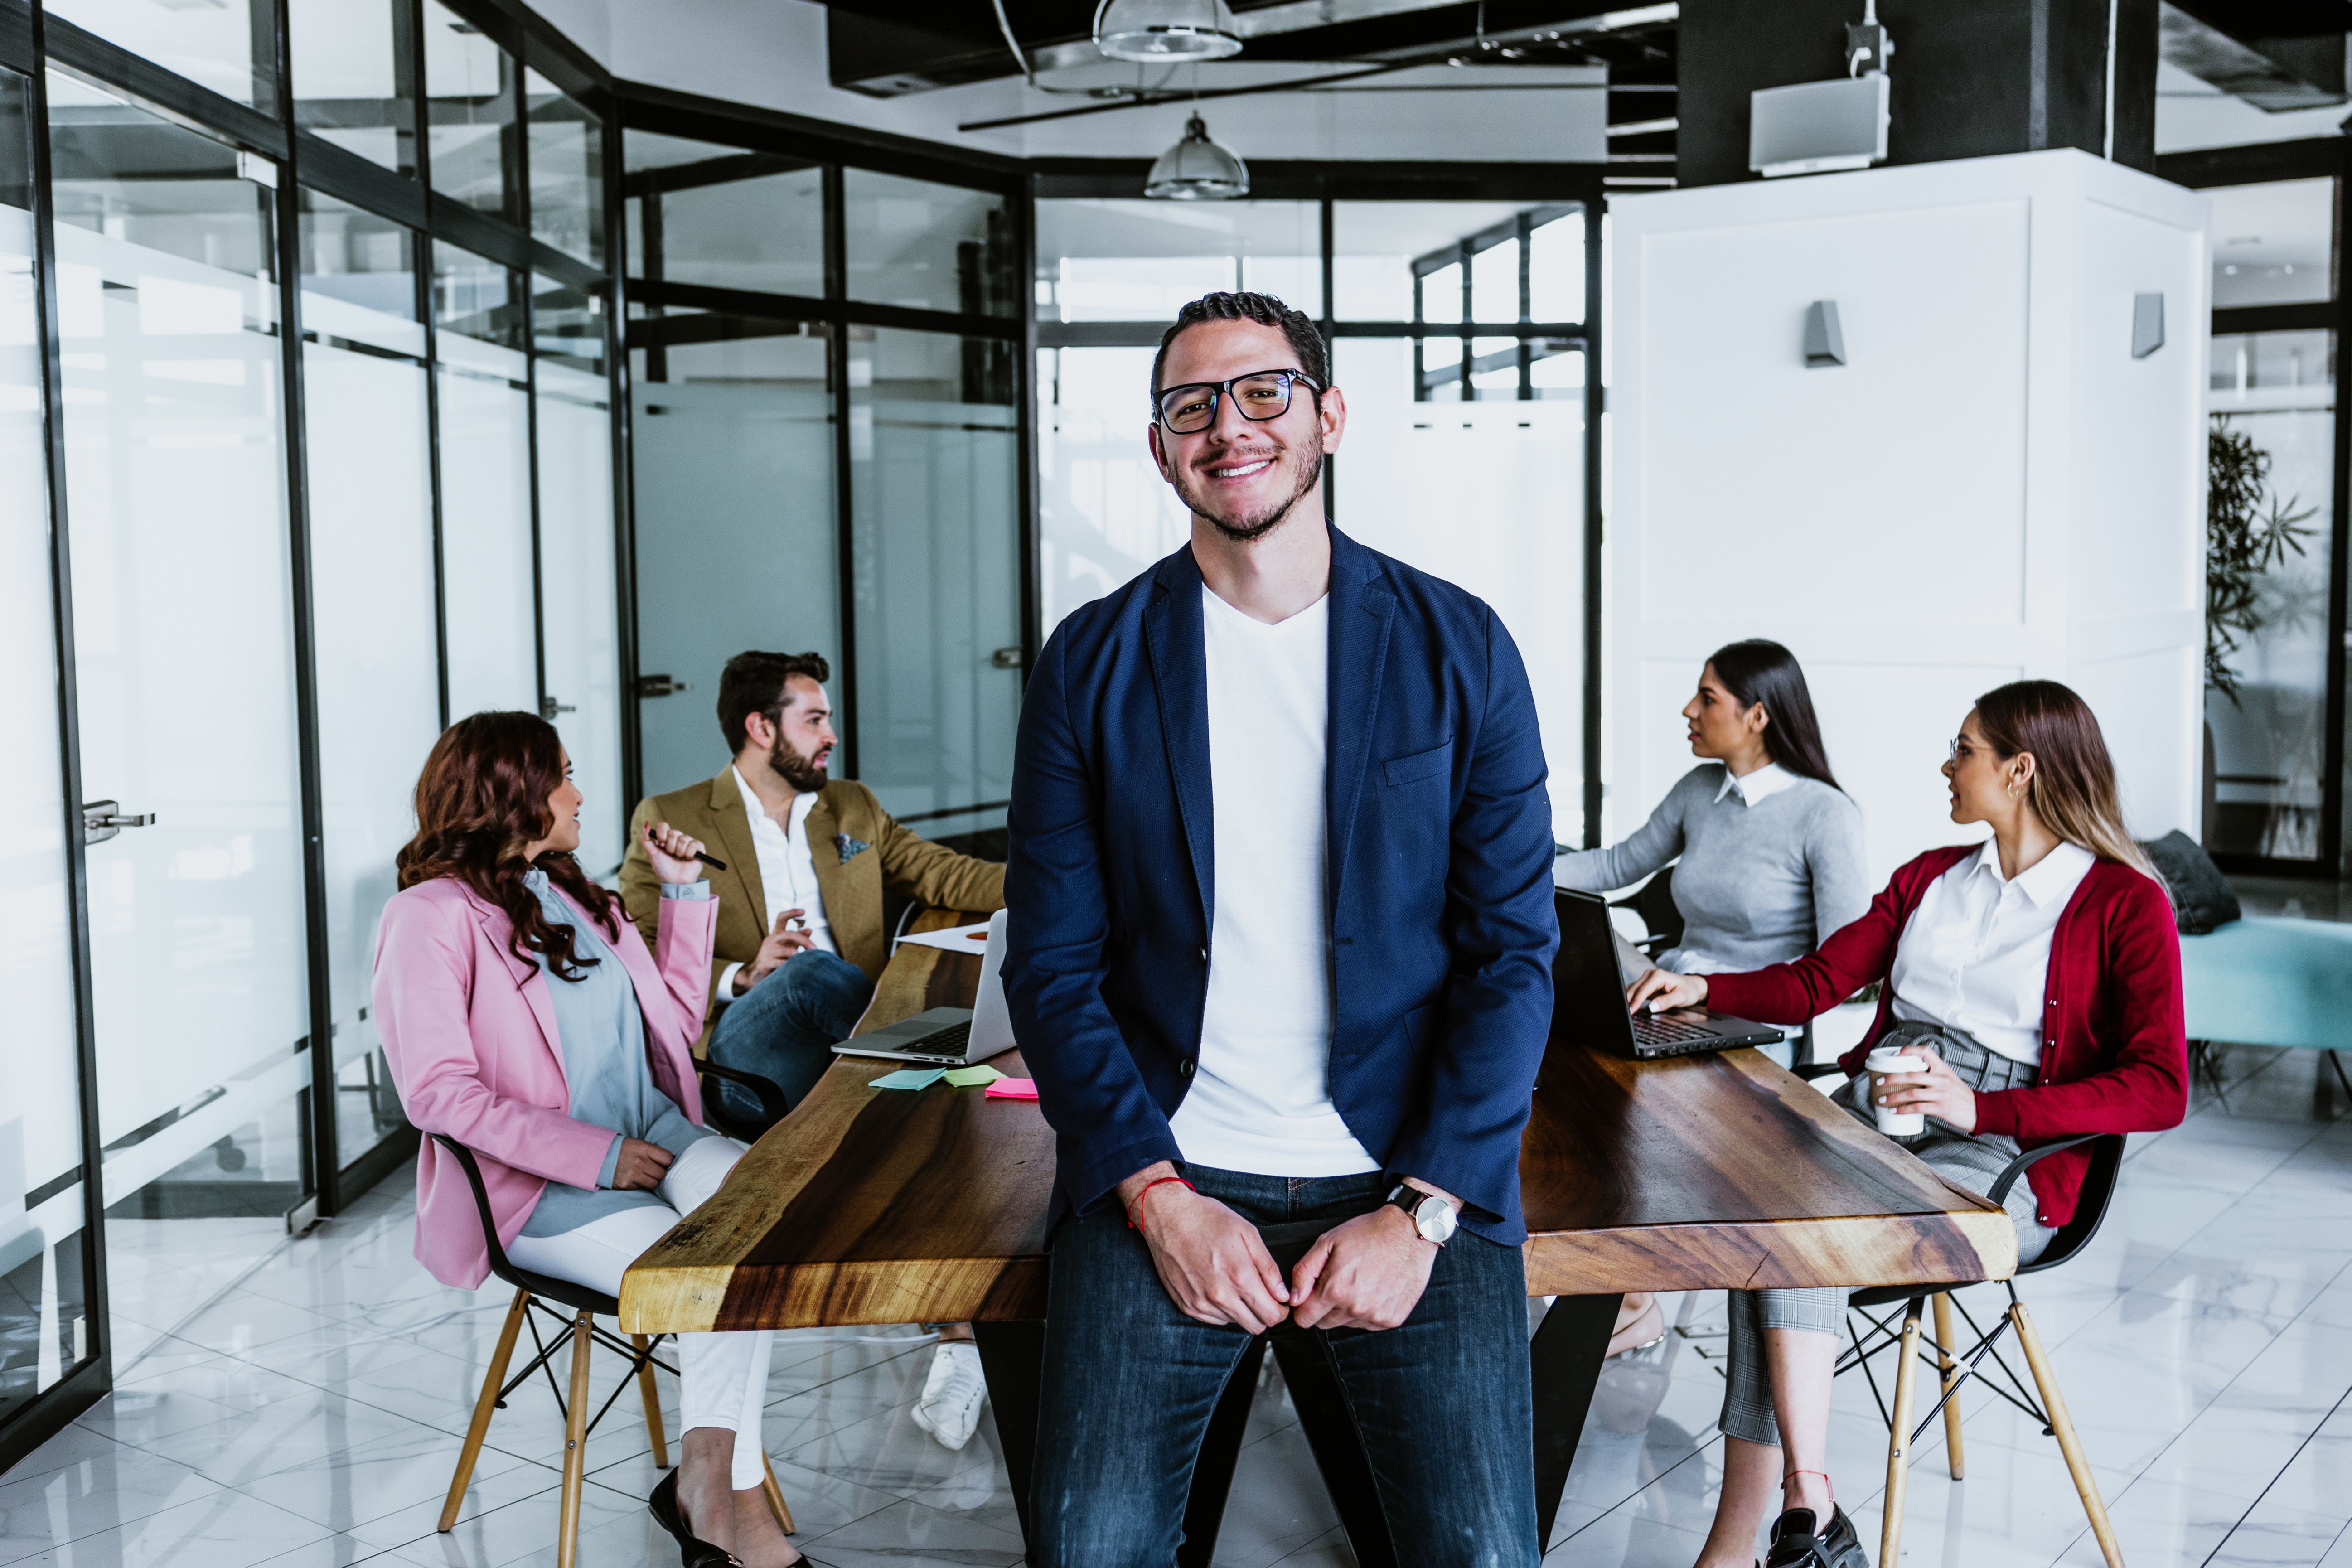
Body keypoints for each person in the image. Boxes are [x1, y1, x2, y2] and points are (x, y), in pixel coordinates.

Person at [1003, 290, 1569, 1568]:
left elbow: (1512, 955)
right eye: (1190, 405)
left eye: (1263, 391)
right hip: (1167, 1164)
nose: (1229, 425)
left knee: (1483, 1554)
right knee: (1090, 1548)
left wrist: (1424, 1210)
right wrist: (1155, 1195)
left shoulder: (1461, 646)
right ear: (1161, 448)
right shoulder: (1089, 662)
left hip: (1407, 1172)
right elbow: (1051, 964)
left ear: (1329, 415)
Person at [1626, 681, 2187, 1568]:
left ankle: (1747, 1539)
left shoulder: (2124, 901)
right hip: (1875, 1116)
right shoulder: (1932, 876)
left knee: (1797, 1233)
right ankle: (1806, 1506)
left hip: (2006, 1155)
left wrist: (1983, 1107)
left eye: (1963, 749)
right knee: (1780, 1221)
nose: (1946, 765)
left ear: (2020, 769)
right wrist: (1705, 986)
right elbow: (1819, 980)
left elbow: (2160, 1087)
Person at [373, 711, 800, 1568]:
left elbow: (673, 1026)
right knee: (705, 1276)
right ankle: (732, 1505)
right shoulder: (428, 917)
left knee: (766, 1226)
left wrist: (682, 892)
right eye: (563, 774)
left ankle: (706, 1482)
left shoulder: (574, 895)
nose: (578, 793)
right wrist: (596, 1155)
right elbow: (437, 1093)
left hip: (660, 1135)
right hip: (542, 1187)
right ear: (513, 792)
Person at [618, 649, 1005, 1450]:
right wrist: (742, 971)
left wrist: (1067, 877)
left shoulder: (850, 808)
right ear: (762, 728)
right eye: (815, 719)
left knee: (902, 1130)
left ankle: (961, 1340)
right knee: (813, 977)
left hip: (839, 1056)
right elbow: (642, 949)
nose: (831, 734)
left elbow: (944, 875)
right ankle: (917, 1053)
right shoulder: (674, 816)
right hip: (744, 1054)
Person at [1556, 640, 1867, 1353]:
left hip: (1752, 1018)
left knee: (1636, 1122)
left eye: (1707, 698)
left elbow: (1840, 966)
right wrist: (1504, 870)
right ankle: (1621, 1286)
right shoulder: (1701, 790)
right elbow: (1615, 865)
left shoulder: (1825, 816)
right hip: (1670, 995)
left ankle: (1637, 1293)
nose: (1688, 711)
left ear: (1757, 715)